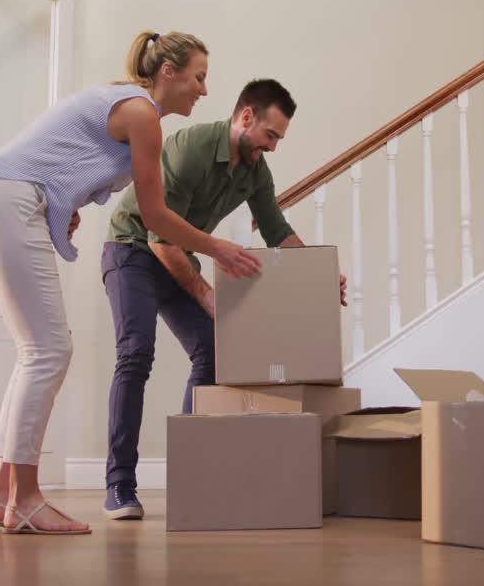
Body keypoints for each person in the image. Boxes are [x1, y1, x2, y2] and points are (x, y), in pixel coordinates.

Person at [0, 31, 261, 535]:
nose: (204, 90)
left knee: (37, 350)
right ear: (169, 72)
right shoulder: (142, 113)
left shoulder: (130, 107)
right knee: (48, 351)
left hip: (1, 197)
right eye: (199, 77)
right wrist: (217, 248)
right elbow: (155, 218)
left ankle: (3, 494)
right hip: (8, 198)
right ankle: (27, 501)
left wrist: (65, 209)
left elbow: (62, 160)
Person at [100, 78, 347, 519]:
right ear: (246, 117)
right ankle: (120, 485)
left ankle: (189, 472)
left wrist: (320, 278)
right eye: (270, 135)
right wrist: (205, 293)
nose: (273, 147)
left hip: (176, 255)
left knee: (213, 352)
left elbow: (278, 233)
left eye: (279, 139)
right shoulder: (192, 147)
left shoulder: (255, 172)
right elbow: (159, 237)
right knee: (136, 353)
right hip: (132, 249)